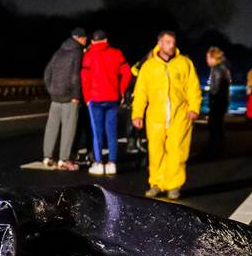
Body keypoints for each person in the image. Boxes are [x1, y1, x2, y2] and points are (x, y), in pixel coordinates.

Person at [132, 31, 201, 200]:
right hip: (156, 116)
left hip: (180, 115)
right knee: (156, 151)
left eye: (173, 42)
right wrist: (137, 114)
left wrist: (194, 108)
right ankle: (156, 183)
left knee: (177, 151)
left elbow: (193, 87)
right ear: (160, 43)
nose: (171, 45)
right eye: (168, 42)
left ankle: (174, 185)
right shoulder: (149, 66)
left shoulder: (184, 63)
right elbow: (141, 92)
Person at [79, 30, 132, 176]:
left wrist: (87, 98)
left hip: (95, 98)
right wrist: (121, 91)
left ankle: (98, 163)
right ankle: (112, 163)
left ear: (92, 41)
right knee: (112, 131)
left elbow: (85, 78)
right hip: (113, 98)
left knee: (97, 132)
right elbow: (127, 72)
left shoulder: (89, 55)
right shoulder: (116, 53)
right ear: (106, 40)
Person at [40, 28, 87, 170]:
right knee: (68, 129)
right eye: (85, 38)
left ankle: (47, 157)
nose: (86, 40)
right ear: (79, 38)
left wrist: (51, 89)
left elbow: (47, 72)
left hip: (55, 97)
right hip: (69, 97)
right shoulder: (77, 52)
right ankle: (64, 159)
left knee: (52, 127)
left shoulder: (59, 52)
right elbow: (75, 75)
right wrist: (76, 95)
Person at [205, 47, 231, 158]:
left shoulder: (216, 69)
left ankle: (214, 151)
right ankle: (219, 149)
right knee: (219, 128)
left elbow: (215, 89)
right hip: (222, 102)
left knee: (214, 128)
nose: (206, 60)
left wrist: (212, 101)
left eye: (208, 57)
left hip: (217, 103)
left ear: (213, 58)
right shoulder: (224, 68)